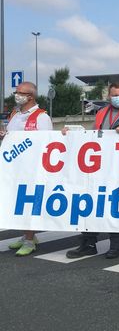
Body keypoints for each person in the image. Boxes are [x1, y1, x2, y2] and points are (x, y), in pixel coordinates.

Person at [66, 82, 119, 259]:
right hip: (102, 167)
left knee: (116, 204)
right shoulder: (101, 113)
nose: (118, 97)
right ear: (109, 97)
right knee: (92, 203)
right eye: (115, 94)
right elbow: (93, 137)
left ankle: (116, 244)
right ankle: (88, 243)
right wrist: (71, 133)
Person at [0, 82, 53, 256]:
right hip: (15, 168)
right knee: (19, 203)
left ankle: (30, 240)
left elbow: (48, 142)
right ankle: (26, 236)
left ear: (31, 96)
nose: (16, 95)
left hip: (32, 169)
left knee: (28, 203)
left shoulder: (41, 117)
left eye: (20, 93)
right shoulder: (15, 114)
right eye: (16, 92)